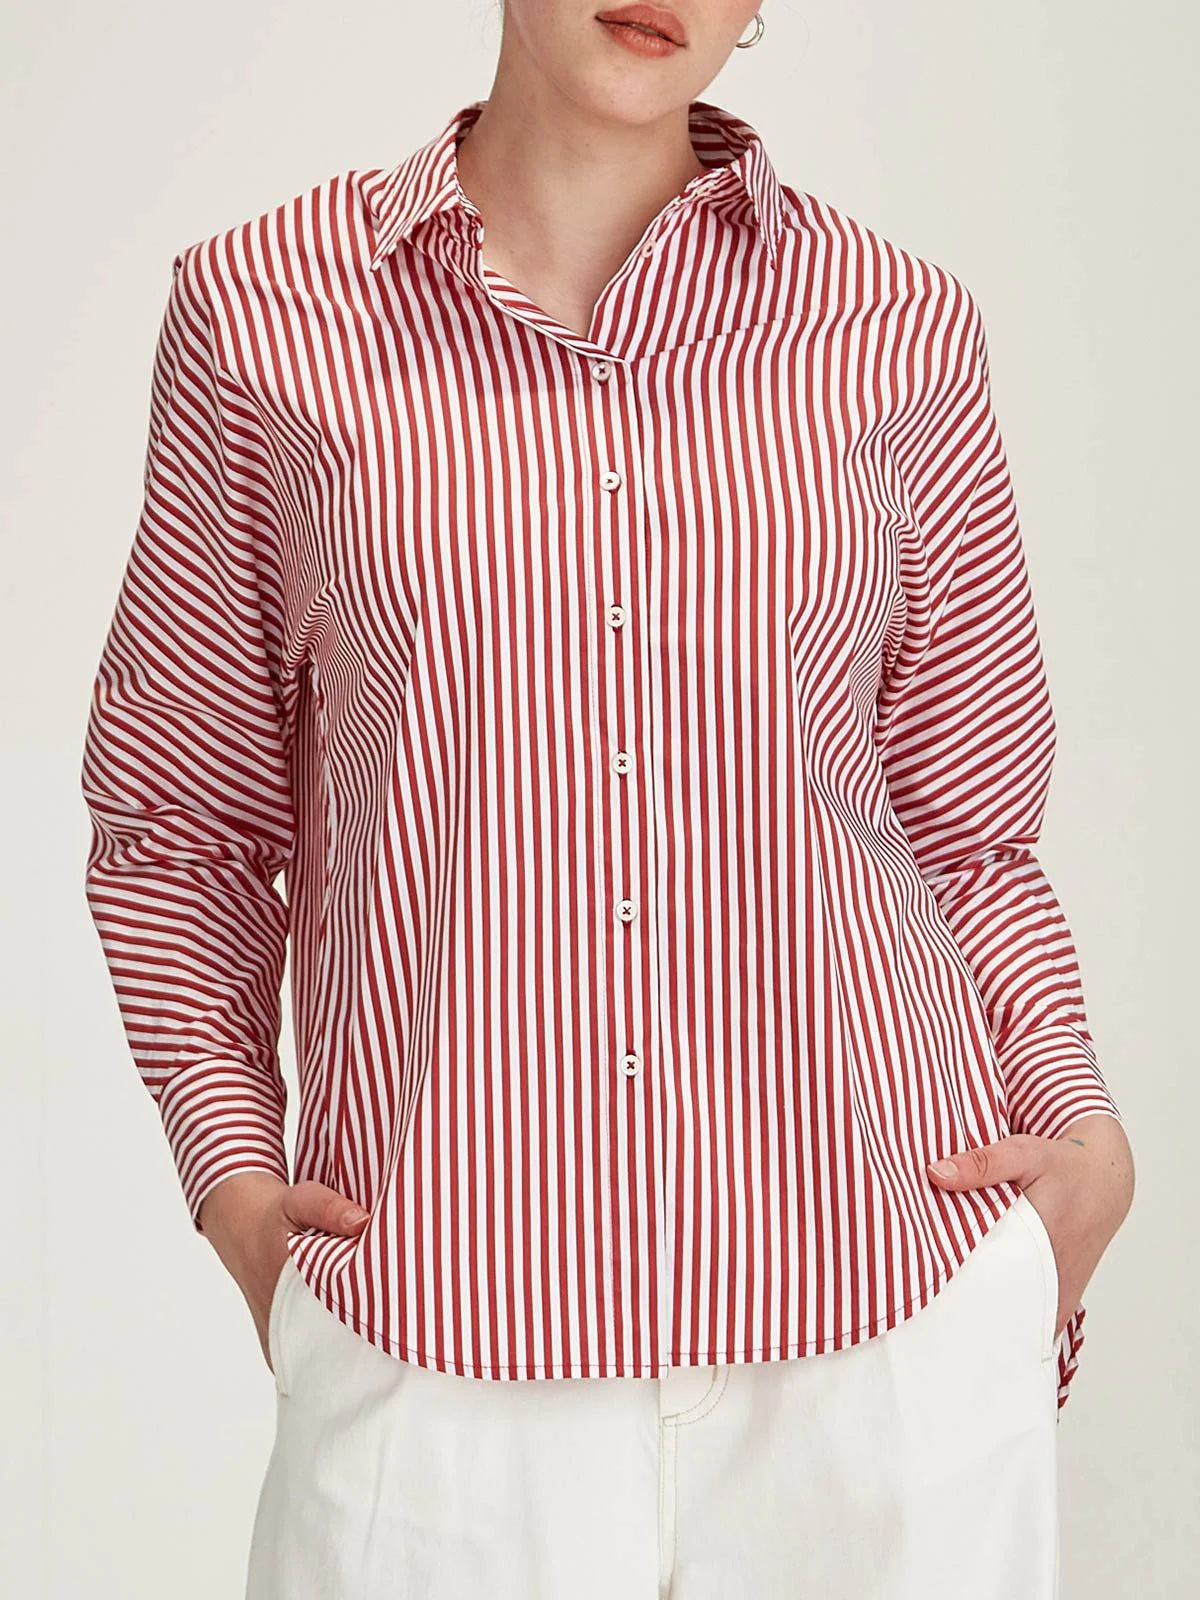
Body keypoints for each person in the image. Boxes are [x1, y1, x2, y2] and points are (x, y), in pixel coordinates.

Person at [80, 3, 1135, 1596]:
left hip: (883, 1314)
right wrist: (233, 1178)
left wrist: (1078, 1130)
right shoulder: (263, 313)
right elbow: (181, 823)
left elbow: (969, 830)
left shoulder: (896, 326)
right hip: (439, 1325)